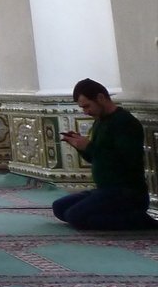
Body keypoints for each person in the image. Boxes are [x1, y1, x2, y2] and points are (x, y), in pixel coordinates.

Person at [53, 78, 156, 230]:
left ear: (100, 98)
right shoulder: (99, 121)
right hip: (104, 190)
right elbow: (95, 158)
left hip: (126, 193)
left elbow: (126, 161)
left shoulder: (125, 122)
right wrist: (79, 146)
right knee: (59, 207)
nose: (86, 112)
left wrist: (89, 146)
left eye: (87, 106)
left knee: (74, 216)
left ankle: (139, 219)